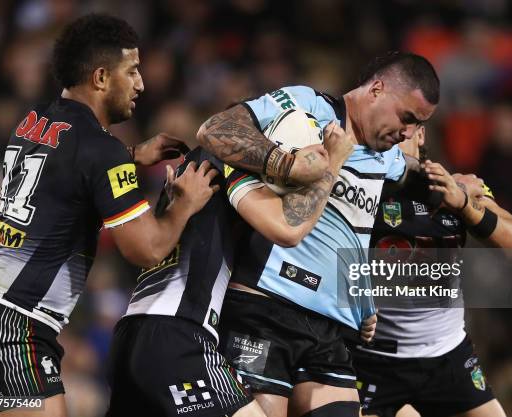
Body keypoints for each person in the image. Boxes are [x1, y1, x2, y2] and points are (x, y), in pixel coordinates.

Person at [0, 14, 222, 417]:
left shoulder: (35, 120)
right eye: (133, 71)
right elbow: (147, 249)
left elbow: (69, 173)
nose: (141, 84)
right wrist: (186, 201)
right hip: (16, 329)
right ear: (102, 77)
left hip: (0, 318)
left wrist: (128, 158)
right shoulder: (100, 150)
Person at [196, 52, 440, 417]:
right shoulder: (308, 107)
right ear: (376, 89)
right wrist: (288, 164)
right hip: (266, 309)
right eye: (406, 118)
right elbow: (214, 130)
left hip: (331, 330)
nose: (407, 133)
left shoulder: (385, 157)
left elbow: (425, 181)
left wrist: (468, 195)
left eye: (417, 125)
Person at [105, 121, 354, 417]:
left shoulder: (194, 166)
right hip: (179, 336)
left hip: (130, 333)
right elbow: (288, 228)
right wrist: (331, 165)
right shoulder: (224, 165)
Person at [352, 125, 512, 417]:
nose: (394, 138)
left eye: (404, 129)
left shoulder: (455, 186)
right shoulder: (359, 186)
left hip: (447, 356)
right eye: (385, 130)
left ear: (420, 134)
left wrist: (464, 205)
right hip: (375, 360)